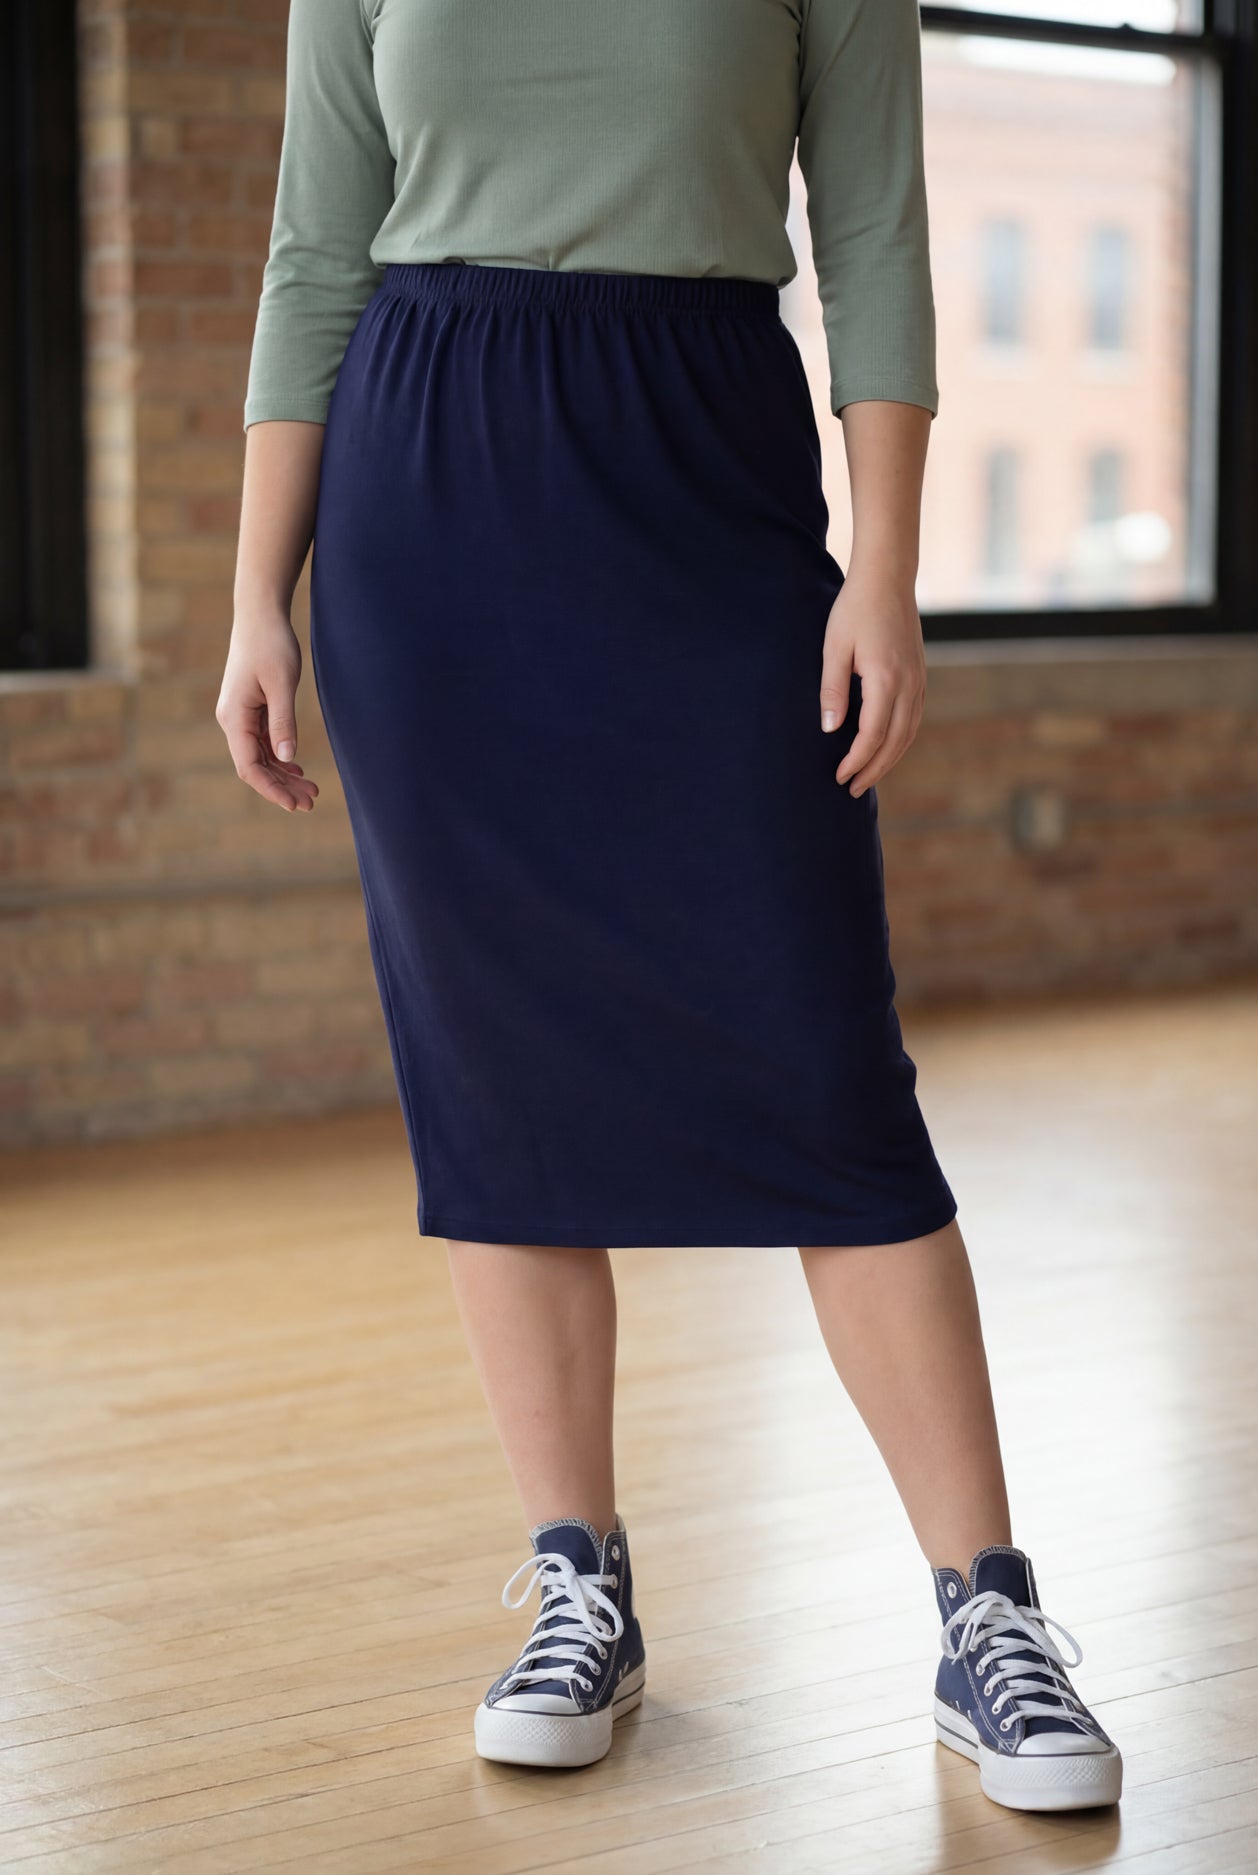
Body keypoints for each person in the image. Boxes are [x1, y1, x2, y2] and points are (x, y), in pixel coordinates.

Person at [221, 0, 1122, 1813]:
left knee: (824, 1066)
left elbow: (871, 235)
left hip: (700, 463)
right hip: (427, 492)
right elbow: (317, 245)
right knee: (495, 1069)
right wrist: (261, 594)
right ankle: (579, 1583)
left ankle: (986, 1612)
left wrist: (885, 570)